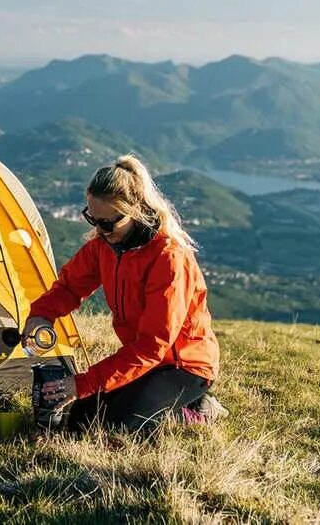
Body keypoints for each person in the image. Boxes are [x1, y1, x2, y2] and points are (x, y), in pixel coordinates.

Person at [24, 154, 220, 432]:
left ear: (135, 211)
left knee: (119, 427)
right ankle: (163, 404)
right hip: (142, 361)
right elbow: (69, 287)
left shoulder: (168, 258)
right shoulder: (103, 246)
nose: (99, 231)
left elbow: (153, 345)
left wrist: (82, 384)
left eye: (107, 224)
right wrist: (41, 315)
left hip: (183, 365)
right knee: (81, 419)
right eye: (93, 219)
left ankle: (197, 409)